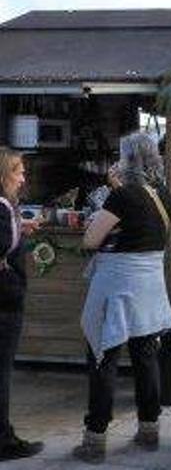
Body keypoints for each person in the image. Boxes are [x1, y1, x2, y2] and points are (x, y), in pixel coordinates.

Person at [74, 132, 171, 464]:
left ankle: (95, 439)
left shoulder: (121, 197)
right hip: (149, 286)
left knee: (103, 359)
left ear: (128, 159)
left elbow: (91, 240)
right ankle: (149, 430)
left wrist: (112, 193)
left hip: (117, 286)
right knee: (146, 358)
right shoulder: (163, 195)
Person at [0, 149, 44, 462]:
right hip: (4, 300)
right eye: (19, 172)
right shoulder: (2, 208)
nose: (23, 177)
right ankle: (4, 440)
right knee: (2, 373)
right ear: (4, 176)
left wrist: (20, 232)